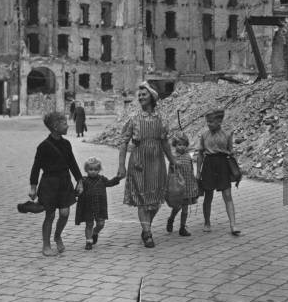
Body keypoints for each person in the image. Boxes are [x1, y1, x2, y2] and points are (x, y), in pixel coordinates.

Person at [117, 82, 176, 248]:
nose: (141, 97)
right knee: (143, 200)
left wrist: (172, 160)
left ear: (152, 97)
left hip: (157, 163)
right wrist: (121, 165)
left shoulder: (160, 119)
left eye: (144, 94)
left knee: (156, 200)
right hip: (138, 163)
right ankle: (148, 233)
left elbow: (164, 142)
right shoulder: (134, 119)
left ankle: (145, 227)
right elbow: (123, 142)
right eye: (139, 95)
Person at [29, 112, 84, 256]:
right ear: (55, 126)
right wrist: (33, 186)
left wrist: (79, 180)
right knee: (50, 215)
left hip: (64, 181)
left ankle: (57, 235)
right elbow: (36, 167)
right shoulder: (43, 146)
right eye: (65, 123)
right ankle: (46, 246)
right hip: (49, 183)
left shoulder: (66, 144)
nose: (68, 125)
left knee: (65, 213)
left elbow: (72, 163)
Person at [197, 108, 240, 236]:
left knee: (227, 195)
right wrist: (198, 172)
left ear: (219, 121)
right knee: (208, 195)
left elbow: (230, 152)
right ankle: (207, 222)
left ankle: (233, 224)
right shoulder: (204, 135)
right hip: (208, 164)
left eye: (211, 121)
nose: (208, 124)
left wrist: (234, 170)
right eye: (207, 122)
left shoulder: (227, 135)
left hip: (222, 165)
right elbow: (200, 154)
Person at [75, 157, 121, 250]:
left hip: (100, 206)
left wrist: (118, 178)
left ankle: (95, 233)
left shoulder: (102, 179)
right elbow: (77, 192)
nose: (93, 171)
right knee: (89, 224)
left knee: (101, 224)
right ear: (86, 170)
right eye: (90, 169)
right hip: (87, 207)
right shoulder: (83, 180)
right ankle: (89, 241)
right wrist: (78, 191)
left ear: (99, 170)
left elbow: (110, 183)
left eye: (95, 169)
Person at [166, 133, 198, 237]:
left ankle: (182, 227)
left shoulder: (188, 156)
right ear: (175, 145)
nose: (182, 146)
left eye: (184, 144)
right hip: (178, 187)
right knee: (177, 207)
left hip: (187, 186)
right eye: (179, 144)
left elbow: (191, 170)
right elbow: (170, 172)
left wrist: (194, 183)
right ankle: (171, 219)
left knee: (185, 208)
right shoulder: (173, 157)